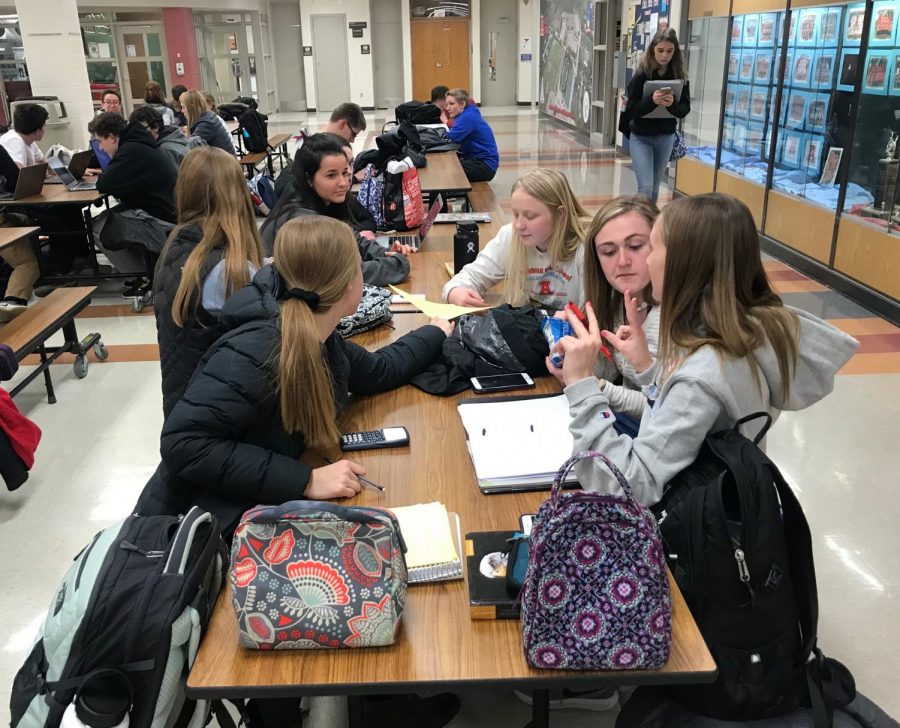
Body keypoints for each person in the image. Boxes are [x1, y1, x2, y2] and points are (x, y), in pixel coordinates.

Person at [137, 215, 453, 535]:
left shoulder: (317, 334)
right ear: (348, 284)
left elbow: (379, 370)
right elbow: (183, 443)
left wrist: (437, 331)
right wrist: (305, 480)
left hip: (238, 508)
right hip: (185, 533)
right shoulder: (258, 351)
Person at [551, 193, 858, 506]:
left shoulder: (704, 372)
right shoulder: (732, 333)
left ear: (684, 263)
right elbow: (684, 425)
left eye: (651, 248)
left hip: (698, 535)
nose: (644, 261)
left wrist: (582, 386)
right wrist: (649, 370)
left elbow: (629, 485)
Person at [154, 147, 263, 419]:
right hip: (220, 417)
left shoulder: (175, 248)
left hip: (185, 403)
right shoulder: (230, 270)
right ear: (237, 195)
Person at [546, 195, 661, 437]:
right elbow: (610, 372)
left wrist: (588, 384)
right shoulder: (615, 300)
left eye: (636, 246)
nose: (622, 261)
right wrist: (580, 351)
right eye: (608, 252)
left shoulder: (674, 316)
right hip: (627, 429)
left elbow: (665, 408)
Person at [261, 133, 410, 286]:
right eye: (331, 175)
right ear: (309, 179)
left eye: (345, 173)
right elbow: (344, 276)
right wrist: (399, 263)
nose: (344, 183)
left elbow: (353, 238)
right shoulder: (303, 221)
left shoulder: (324, 200)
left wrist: (386, 252)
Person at [442, 168, 587, 310]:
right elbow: (472, 275)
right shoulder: (511, 236)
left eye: (530, 216)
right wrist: (455, 292)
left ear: (560, 214)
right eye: (516, 214)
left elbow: (593, 315)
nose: (518, 225)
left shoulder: (585, 248)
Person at [93, 112, 178, 293]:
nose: (100, 147)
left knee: (99, 225)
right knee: (109, 216)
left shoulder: (130, 151)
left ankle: (139, 275)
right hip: (168, 210)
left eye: (101, 141)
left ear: (111, 137)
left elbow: (105, 183)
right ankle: (142, 269)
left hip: (163, 220)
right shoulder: (138, 144)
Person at [624, 29, 691, 203]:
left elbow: (684, 109)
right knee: (645, 187)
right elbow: (630, 111)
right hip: (641, 136)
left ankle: (650, 225)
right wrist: (651, 101)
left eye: (669, 51)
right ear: (653, 49)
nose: (665, 55)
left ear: (675, 51)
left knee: (654, 188)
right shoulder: (642, 74)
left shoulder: (680, 75)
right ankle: (641, 223)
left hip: (665, 136)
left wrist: (672, 105)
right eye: (661, 50)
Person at [274, 102, 368, 198]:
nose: (353, 140)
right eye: (353, 134)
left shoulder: (316, 143)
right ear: (343, 124)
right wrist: (354, 178)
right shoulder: (318, 150)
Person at [444, 88, 499, 182]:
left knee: (446, 172)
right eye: (447, 104)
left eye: (451, 104)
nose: (447, 108)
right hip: (481, 161)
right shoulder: (469, 112)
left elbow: (448, 138)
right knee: (448, 167)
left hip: (484, 165)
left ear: (462, 104)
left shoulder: (467, 117)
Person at [128, 104, 203, 173]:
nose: (138, 133)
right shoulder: (173, 137)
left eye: (142, 128)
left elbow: (174, 182)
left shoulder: (165, 150)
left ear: (156, 127)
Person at [181, 89, 234, 155]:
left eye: (183, 107)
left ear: (191, 107)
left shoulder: (206, 123)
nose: (182, 111)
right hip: (224, 160)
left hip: (223, 163)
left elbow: (191, 148)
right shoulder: (207, 117)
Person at [0, 103, 48, 167]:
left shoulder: (30, 142)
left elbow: (44, 162)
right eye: (43, 126)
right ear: (37, 131)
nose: (44, 131)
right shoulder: (14, 140)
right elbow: (19, 173)